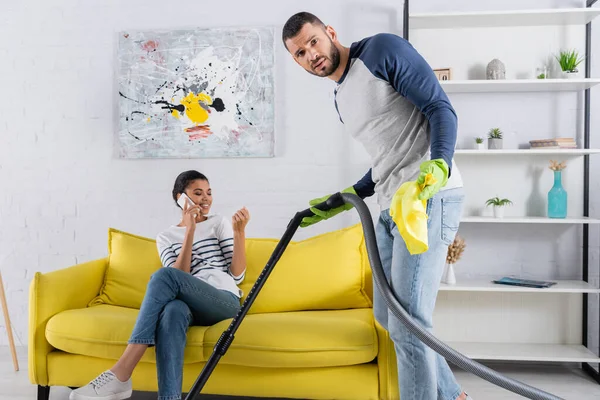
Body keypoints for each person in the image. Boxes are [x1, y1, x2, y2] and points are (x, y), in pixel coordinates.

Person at [283, 12, 469, 400]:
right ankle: (452, 395)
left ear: (330, 32)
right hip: (389, 207)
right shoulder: (340, 97)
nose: (311, 54)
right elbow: (388, 154)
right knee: (388, 316)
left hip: (426, 197)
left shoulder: (382, 50)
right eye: (300, 53)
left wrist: (438, 165)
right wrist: (347, 195)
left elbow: (439, 108)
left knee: (409, 323)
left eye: (313, 41)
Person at [70, 170, 250, 400]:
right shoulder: (165, 237)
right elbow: (180, 275)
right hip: (188, 304)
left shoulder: (218, 223)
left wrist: (239, 233)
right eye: (197, 193)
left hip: (222, 300)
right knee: (173, 311)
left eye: (209, 193)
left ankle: (122, 372)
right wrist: (189, 231)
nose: (206, 198)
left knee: (164, 275)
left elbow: (237, 276)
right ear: (180, 198)